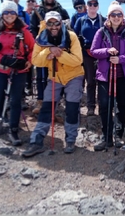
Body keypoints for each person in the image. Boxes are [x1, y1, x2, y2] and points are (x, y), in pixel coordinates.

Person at [22, 11, 84, 157]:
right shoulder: (41, 38)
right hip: (54, 77)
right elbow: (36, 60)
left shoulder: (71, 36)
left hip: (74, 75)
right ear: (46, 24)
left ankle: (70, 140)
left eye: (56, 22)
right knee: (46, 109)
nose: (53, 26)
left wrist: (59, 54)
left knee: (72, 108)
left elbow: (78, 60)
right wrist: (48, 51)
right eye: (50, 23)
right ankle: (36, 141)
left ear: (61, 23)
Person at [0, 0, 34, 153]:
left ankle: (13, 130)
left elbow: (33, 49)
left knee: (16, 100)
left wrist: (28, 62)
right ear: (2, 14)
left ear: (16, 14)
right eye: (6, 12)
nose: (9, 15)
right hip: (0, 70)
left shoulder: (24, 31)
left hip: (19, 71)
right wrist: (4, 59)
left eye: (12, 12)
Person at [90, 1, 125, 151]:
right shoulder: (101, 32)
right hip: (105, 75)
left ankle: (118, 134)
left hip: (122, 75)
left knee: (121, 106)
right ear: (109, 16)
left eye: (119, 14)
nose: (116, 17)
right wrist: (106, 51)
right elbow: (93, 51)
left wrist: (120, 59)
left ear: (123, 17)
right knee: (105, 106)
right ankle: (106, 136)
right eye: (113, 14)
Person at [30, 0, 69, 115]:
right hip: (43, 48)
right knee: (41, 76)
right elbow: (32, 29)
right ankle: (41, 101)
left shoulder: (61, 11)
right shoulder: (37, 12)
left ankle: (56, 102)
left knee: (57, 75)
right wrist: (39, 43)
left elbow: (67, 28)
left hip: (58, 48)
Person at [74, 0, 106, 116]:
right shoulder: (81, 21)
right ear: (87, 6)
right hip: (86, 54)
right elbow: (74, 37)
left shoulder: (104, 20)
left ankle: (103, 105)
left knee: (103, 80)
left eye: (95, 4)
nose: (92, 6)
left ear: (98, 6)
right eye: (90, 4)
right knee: (91, 81)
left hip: (102, 55)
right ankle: (91, 106)